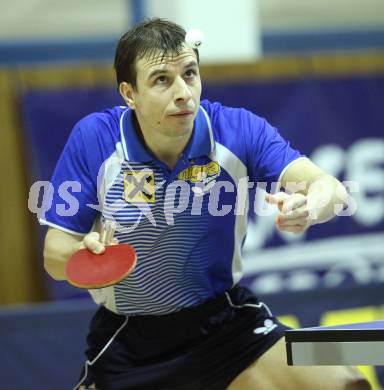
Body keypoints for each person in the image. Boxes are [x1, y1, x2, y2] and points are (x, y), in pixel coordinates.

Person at [41, 18, 370, 390]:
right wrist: (83, 255)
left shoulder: (236, 130)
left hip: (227, 324)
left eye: (190, 74)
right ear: (129, 94)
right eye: (162, 79)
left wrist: (311, 205)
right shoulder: (95, 140)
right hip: (132, 342)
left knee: (345, 381)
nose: (183, 92)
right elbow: (54, 253)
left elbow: (330, 188)